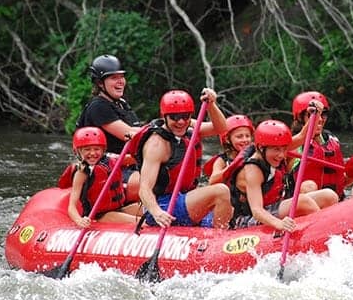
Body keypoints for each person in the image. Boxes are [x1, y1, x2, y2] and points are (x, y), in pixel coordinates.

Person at [136, 88, 233, 229]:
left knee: (229, 207)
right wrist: (157, 212)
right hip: (163, 206)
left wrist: (211, 105)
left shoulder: (188, 128)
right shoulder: (156, 145)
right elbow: (144, 189)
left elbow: (221, 128)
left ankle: (216, 233)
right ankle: (219, 239)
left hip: (182, 197)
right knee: (221, 191)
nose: (180, 121)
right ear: (165, 116)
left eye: (185, 116)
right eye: (174, 117)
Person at [230, 119, 338, 231]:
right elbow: (257, 210)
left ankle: (328, 227)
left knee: (329, 196)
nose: (281, 155)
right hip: (247, 219)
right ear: (261, 148)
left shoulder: (272, 148)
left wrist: (316, 113)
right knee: (302, 202)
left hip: (273, 206)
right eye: (276, 149)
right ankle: (325, 231)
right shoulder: (253, 170)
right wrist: (279, 224)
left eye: (284, 149)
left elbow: (302, 136)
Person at [76, 54, 143, 200]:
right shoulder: (98, 107)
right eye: (114, 78)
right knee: (151, 183)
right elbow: (130, 134)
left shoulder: (121, 104)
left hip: (128, 166)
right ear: (100, 83)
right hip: (108, 171)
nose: (120, 82)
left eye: (122, 77)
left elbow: (140, 131)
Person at [67, 127, 141, 228]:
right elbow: (71, 206)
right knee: (142, 222)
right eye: (87, 150)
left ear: (103, 150)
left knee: (151, 211)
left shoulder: (112, 160)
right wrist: (79, 220)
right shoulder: (81, 173)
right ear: (78, 151)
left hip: (119, 208)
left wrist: (135, 141)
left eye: (97, 149)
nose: (92, 153)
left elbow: (137, 158)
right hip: (100, 215)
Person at [289, 91, 346, 199]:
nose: (319, 119)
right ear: (300, 118)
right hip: (303, 205)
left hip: (334, 201)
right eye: (312, 114)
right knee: (308, 186)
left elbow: (342, 177)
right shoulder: (293, 145)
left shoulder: (332, 141)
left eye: (323, 114)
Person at [205, 114, 255, 185]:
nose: (245, 140)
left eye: (247, 136)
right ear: (227, 139)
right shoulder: (222, 160)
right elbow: (212, 180)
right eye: (239, 136)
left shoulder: (254, 155)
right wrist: (232, 166)